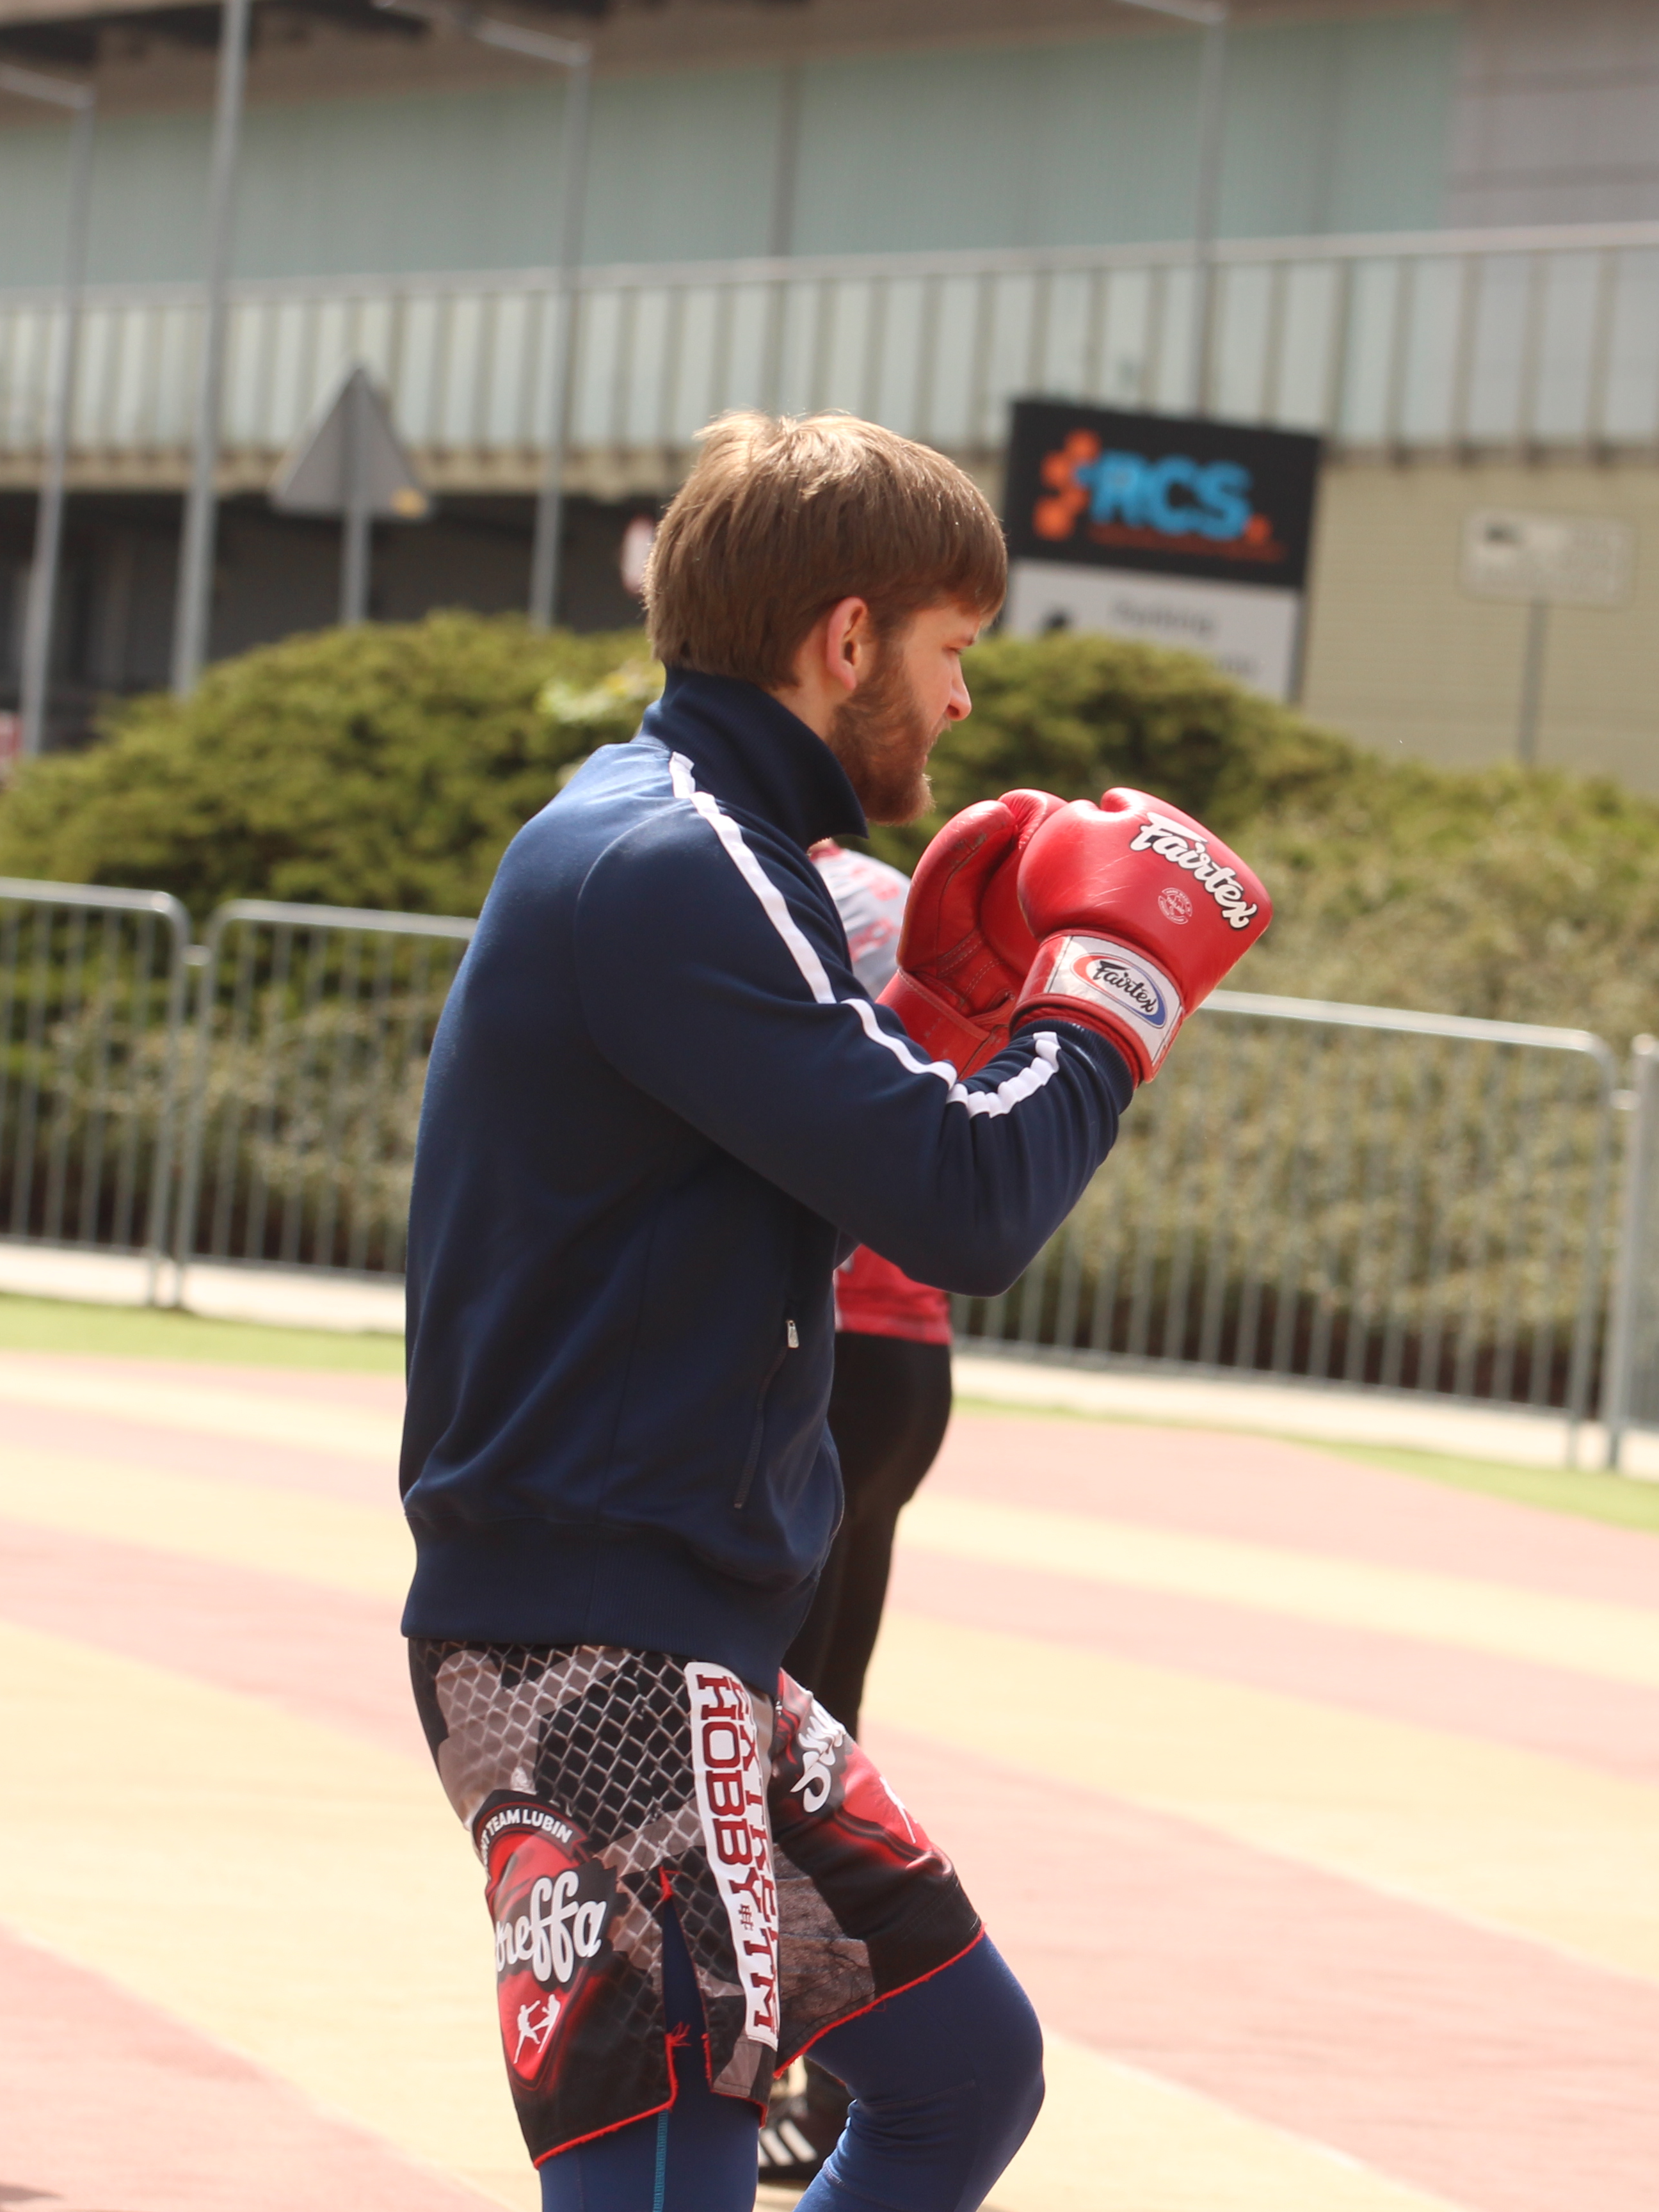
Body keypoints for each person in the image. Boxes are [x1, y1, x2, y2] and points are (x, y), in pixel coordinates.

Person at [397, 410, 1271, 2212]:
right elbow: (966, 1207)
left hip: (672, 1625)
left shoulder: (700, 850)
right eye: (954, 651)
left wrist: (957, 1030)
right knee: (672, 2173)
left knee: (964, 2079)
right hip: (603, 1647)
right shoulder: (680, 862)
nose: (964, 705)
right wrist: (1106, 997)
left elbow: (872, 1150)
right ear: (850, 638)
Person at [758, 842, 965, 2190]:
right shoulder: (895, 895)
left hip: (821, 1334)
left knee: (750, 1739)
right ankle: (813, 2083)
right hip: (906, 1353)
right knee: (816, 1734)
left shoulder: (749, 881)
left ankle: (785, 2077)